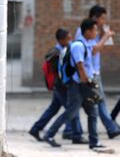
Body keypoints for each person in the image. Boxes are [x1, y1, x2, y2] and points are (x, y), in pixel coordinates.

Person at [43, 19, 105, 149]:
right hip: (78, 85)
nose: (96, 32)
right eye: (95, 30)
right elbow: (80, 66)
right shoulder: (78, 45)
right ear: (87, 31)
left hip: (84, 84)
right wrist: (87, 82)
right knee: (71, 112)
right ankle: (49, 134)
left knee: (93, 112)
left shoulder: (86, 44)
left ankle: (94, 142)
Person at [74, 5, 120, 139]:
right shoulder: (84, 31)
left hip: (94, 71)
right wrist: (105, 37)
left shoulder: (94, 31)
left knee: (82, 102)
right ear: (94, 18)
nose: (104, 21)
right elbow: (93, 50)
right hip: (88, 73)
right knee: (96, 101)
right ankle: (110, 128)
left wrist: (103, 35)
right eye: (102, 18)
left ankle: (72, 130)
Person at [29, 29, 86, 144]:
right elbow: (60, 73)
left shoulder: (63, 50)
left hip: (59, 86)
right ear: (60, 40)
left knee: (53, 109)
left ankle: (36, 129)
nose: (70, 41)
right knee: (72, 110)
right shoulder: (57, 54)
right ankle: (75, 135)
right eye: (67, 39)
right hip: (61, 87)